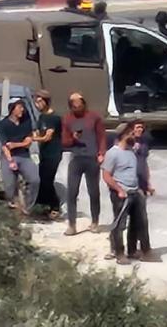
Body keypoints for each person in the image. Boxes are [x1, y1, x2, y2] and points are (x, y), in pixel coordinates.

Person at [102, 123, 158, 265]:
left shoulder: (131, 152)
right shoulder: (113, 153)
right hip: (121, 194)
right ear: (123, 135)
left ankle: (142, 251)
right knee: (120, 225)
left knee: (141, 222)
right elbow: (106, 176)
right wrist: (119, 190)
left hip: (135, 191)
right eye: (131, 134)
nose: (134, 136)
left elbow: (139, 170)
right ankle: (119, 253)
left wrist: (145, 186)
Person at [62, 93, 107, 236]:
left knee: (93, 191)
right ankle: (72, 225)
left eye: (80, 106)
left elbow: (101, 136)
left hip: (92, 158)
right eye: (74, 107)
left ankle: (95, 222)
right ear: (70, 107)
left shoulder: (94, 117)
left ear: (84, 104)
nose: (78, 109)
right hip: (76, 158)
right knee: (72, 192)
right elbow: (64, 142)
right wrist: (73, 139)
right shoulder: (67, 119)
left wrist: (101, 153)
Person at [0, 98, 41, 215]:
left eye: (23, 107)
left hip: (24, 156)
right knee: (9, 186)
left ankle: (27, 207)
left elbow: (28, 142)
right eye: (19, 107)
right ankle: (12, 208)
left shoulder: (26, 122)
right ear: (12, 109)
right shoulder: (3, 124)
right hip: (9, 157)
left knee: (34, 180)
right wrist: (10, 161)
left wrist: (14, 144)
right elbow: (4, 146)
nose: (22, 109)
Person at [32, 90, 63, 220]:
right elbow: (38, 132)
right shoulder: (42, 117)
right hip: (44, 153)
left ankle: (55, 206)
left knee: (47, 180)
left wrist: (32, 139)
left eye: (40, 101)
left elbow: (47, 137)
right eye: (36, 101)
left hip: (54, 153)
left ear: (46, 102)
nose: (37, 104)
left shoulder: (54, 118)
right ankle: (42, 205)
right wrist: (34, 135)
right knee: (41, 180)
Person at [126, 119, 153, 259]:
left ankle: (142, 250)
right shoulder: (126, 143)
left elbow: (145, 163)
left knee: (140, 219)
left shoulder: (144, 143)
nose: (140, 130)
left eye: (142, 127)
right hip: (128, 185)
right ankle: (122, 249)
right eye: (137, 127)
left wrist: (148, 183)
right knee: (127, 219)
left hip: (141, 184)